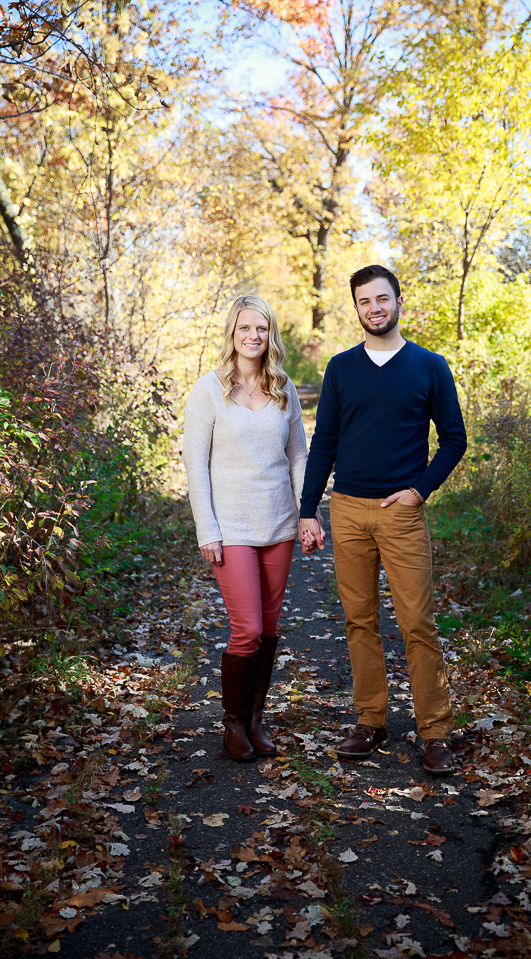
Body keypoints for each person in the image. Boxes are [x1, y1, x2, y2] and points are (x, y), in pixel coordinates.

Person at [298, 265, 467, 774]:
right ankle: (370, 722)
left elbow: (454, 438)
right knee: (359, 622)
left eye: (382, 299)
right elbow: (323, 441)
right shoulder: (341, 368)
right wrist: (309, 509)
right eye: (365, 301)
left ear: (398, 302)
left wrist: (420, 490)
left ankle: (435, 732)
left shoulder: (429, 367)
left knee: (417, 622)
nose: (375, 308)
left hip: (401, 515)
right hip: (347, 511)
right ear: (357, 309)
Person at [183, 295, 308, 762]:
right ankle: (233, 724)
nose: (253, 336)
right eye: (244, 329)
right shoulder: (208, 390)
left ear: (269, 334)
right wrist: (207, 530)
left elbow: (298, 456)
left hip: (278, 524)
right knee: (248, 630)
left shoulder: (284, 388)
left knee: (270, 628)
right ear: (232, 335)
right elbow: (195, 467)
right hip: (231, 528)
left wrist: (306, 513)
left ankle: (256, 721)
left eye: (261, 328)